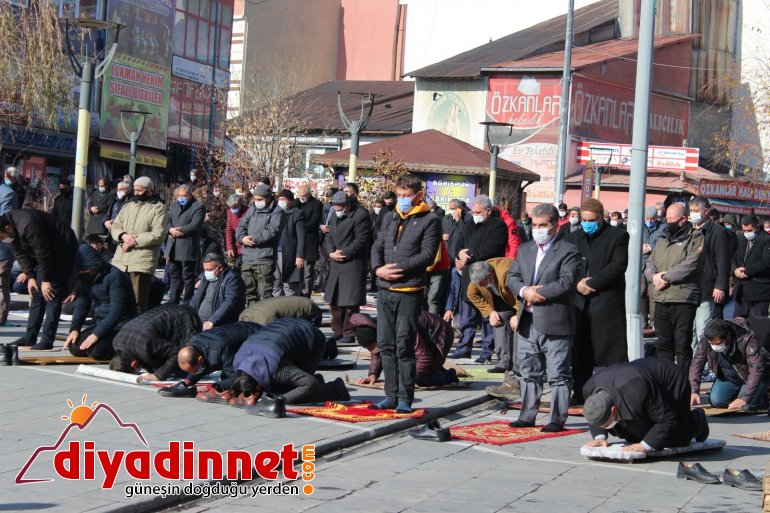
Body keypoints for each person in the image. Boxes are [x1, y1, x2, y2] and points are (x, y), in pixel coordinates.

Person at [506, 203, 580, 432]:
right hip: (528, 321)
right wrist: (523, 291)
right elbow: (512, 276)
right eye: (535, 225)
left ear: (555, 226)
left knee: (558, 374)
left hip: (554, 321)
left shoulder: (568, 250)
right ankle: (527, 415)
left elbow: (567, 282)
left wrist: (538, 293)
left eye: (543, 225)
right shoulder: (526, 249)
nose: (538, 229)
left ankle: (557, 419)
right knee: (528, 372)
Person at [370, 174, 441, 413]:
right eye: (398, 195)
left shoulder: (430, 220)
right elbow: (377, 246)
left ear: (418, 195)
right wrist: (378, 269)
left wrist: (398, 269)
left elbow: (427, 255)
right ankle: (389, 395)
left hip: (409, 290)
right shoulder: (390, 217)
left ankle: (404, 398)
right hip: (385, 289)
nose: (401, 200)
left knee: (404, 344)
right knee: (385, 344)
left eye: (405, 196)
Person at [566, 198, 629, 403]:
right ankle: (580, 392)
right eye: (583, 220)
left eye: (590, 220)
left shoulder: (618, 236)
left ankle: (615, 393)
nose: (586, 223)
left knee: (610, 352)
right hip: (580, 302)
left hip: (606, 301)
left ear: (601, 218)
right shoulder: (573, 238)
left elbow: (617, 266)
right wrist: (577, 283)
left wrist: (592, 282)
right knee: (580, 351)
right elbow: (566, 266)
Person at [582, 358, 709, 453]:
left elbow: (667, 419)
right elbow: (595, 414)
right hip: (637, 378)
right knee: (635, 436)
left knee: (674, 439)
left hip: (670, 381)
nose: (605, 427)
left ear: (614, 409)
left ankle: (697, 420)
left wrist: (644, 446)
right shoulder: (589, 390)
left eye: (605, 425)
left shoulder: (638, 391)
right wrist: (599, 436)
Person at [0, 209, 78, 349]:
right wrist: (30, 276)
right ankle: (29, 337)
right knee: (36, 293)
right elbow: (19, 253)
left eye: (1, 237)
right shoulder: (9, 229)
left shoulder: (28, 224)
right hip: (43, 253)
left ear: (7, 228)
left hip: (61, 248)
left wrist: (46, 280)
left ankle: (47, 339)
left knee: (51, 293)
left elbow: (43, 252)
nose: (2, 240)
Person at [231, 318, 349, 407]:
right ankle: (319, 381)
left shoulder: (276, 369)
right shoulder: (238, 363)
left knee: (298, 392)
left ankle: (337, 388)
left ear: (257, 386)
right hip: (284, 329)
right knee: (275, 388)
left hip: (312, 339)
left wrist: (280, 401)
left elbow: (309, 383)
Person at [645, 203, 704, 375]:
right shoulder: (663, 237)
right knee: (663, 343)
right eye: (666, 218)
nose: (667, 221)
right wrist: (653, 277)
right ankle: (666, 379)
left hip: (683, 297)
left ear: (683, 219)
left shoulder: (695, 237)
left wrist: (665, 277)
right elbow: (650, 261)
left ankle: (682, 382)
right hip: (661, 296)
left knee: (682, 344)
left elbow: (691, 264)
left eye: (671, 219)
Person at [456, 195, 507, 363]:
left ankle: (487, 352)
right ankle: (464, 348)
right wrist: (459, 254)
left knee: (487, 315)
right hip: (468, 274)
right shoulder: (469, 223)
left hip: (486, 275)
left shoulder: (498, 225)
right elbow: (458, 241)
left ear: (488, 211)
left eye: (478, 212)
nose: (474, 214)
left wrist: (470, 255)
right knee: (467, 317)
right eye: (473, 211)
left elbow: (492, 247)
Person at [63, 244, 138, 360]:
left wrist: (96, 334)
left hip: (121, 325)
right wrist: (74, 329)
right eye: (80, 271)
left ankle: (127, 348)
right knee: (74, 347)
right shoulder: (84, 278)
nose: (83, 273)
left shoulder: (115, 277)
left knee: (96, 351)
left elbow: (116, 311)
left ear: (94, 266)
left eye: (85, 270)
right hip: (101, 322)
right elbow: (82, 305)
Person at [350, 311, 457, 387]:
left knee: (423, 378)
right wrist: (373, 375)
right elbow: (377, 353)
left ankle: (449, 376)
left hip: (439, 333)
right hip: (421, 333)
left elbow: (424, 357)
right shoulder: (379, 330)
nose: (372, 351)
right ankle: (438, 372)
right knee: (408, 370)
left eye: (372, 346)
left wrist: (405, 381)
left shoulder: (400, 327)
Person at [323, 191, 371, 356]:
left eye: (339, 207)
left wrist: (344, 253)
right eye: (334, 207)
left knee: (349, 302)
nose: (337, 210)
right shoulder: (335, 214)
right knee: (334, 300)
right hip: (336, 262)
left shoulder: (360, 215)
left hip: (352, 263)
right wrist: (330, 252)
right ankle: (337, 330)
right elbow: (329, 234)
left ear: (347, 205)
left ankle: (349, 332)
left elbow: (361, 240)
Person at [111, 176, 168, 313]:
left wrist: (133, 241)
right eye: (134, 190)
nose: (136, 193)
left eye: (139, 190)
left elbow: (158, 234)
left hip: (141, 262)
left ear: (149, 191)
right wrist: (123, 236)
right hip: (120, 261)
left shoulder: (158, 208)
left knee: (137, 302)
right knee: (117, 299)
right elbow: (116, 226)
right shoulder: (128, 206)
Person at [690, 317, 770, 412]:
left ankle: (762, 397)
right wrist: (694, 390)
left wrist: (744, 397)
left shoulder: (746, 338)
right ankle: (747, 392)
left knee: (746, 406)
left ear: (728, 336)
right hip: (730, 377)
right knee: (716, 401)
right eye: (712, 343)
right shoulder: (706, 338)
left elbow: (756, 368)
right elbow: (697, 363)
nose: (715, 346)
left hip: (753, 376)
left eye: (718, 343)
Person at [163, 322, 263, 397]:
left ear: (200, 359)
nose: (194, 373)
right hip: (235, 337)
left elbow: (236, 377)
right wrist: (188, 381)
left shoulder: (219, 350)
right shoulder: (194, 344)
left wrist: (213, 387)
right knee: (225, 379)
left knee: (231, 383)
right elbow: (201, 365)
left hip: (258, 338)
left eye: (194, 371)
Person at [109, 304, 201, 382]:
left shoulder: (147, 345)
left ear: (134, 364)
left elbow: (177, 354)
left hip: (186, 318)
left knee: (185, 365)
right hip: (166, 312)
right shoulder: (116, 342)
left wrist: (158, 376)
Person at [688, 196, 730, 343]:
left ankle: (704, 363)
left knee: (702, 328)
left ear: (706, 211)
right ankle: (691, 363)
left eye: (696, 210)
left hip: (707, 287)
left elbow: (723, 261)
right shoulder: (688, 229)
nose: (693, 214)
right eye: (691, 210)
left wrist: (720, 286)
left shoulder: (718, 232)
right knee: (689, 329)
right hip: (687, 288)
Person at [236, 183, 286, 305]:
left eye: (260, 199)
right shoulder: (252, 209)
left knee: (265, 294)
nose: (257, 202)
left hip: (264, 259)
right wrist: (242, 238)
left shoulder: (277, 212)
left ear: (268, 198)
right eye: (255, 199)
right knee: (248, 293)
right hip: (247, 258)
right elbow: (241, 226)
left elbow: (272, 231)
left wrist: (253, 240)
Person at [467, 259, 518, 374]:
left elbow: (523, 294)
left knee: (519, 326)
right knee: (499, 320)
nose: (480, 286)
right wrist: (490, 312)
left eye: (482, 283)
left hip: (521, 300)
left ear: (489, 275)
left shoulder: (506, 273)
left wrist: (519, 315)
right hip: (502, 300)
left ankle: (519, 364)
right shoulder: (478, 278)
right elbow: (471, 294)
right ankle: (503, 362)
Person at [165, 184, 205, 304]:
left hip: (188, 246)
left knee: (188, 275)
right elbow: (167, 221)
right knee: (173, 273)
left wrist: (179, 231)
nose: (181, 198)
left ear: (189, 195)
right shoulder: (174, 205)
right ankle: (173, 299)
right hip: (173, 245)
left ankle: (187, 301)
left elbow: (195, 225)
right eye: (179, 195)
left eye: (184, 196)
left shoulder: (198, 207)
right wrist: (170, 230)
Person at [188, 252, 246, 330]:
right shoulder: (205, 277)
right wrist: (189, 313)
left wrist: (212, 321)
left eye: (209, 270)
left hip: (218, 325)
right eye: (205, 270)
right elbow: (196, 296)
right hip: (198, 321)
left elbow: (230, 302)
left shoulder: (232, 279)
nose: (206, 272)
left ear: (220, 268)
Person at [731, 215, 770, 318]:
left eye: (749, 230)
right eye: (744, 230)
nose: (746, 233)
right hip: (741, 289)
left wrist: (745, 271)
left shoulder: (766, 239)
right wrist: (735, 270)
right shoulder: (741, 238)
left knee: (757, 323)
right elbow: (733, 257)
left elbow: (765, 262)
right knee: (738, 323)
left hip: (759, 290)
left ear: (757, 227)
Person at [272, 189, 306, 297]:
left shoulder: (297, 214)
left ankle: (290, 311)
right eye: (280, 199)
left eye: (284, 199)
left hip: (289, 254)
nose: (281, 201)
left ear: (291, 201)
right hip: (274, 252)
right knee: (275, 283)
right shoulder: (274, 212)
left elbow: (301, 237)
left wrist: (300, 256)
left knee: (289, 285)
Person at [296, 185, 323, 297]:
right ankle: (297, 294)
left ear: (308, 194)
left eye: (304, 196)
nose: (302, 198)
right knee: (297, 272)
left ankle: (307, 294)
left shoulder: (317, 204)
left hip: (309, 241)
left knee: (308, 272)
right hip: (297, 241)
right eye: (300, 196)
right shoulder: (296, 202)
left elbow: (314, 222)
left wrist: (299, 227)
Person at [641, 205, 665, 329]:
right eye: (647, 218)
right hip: (640, 264)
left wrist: (650, 247)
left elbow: (662, 243)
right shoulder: (639, 225)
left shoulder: (662, 228)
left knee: (653, 294)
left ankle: (655, 323)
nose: (649, 221)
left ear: (657, 218)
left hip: (654, 266)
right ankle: (642, 321)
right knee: (640, 292)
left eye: (652, 219)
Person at [0, 175, 17, 327]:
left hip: (2, 247)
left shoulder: (7, 193)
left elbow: (5, 221)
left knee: (0, 283)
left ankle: (0, 317)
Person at [239, 295, 322, 326]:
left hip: (312, 312)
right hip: (302, 304)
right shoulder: (243, 316)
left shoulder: (266, 321)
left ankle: (327, 348)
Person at [316, 188, 338, 293]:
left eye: (332, 198)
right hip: (323, 237)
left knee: (332, 262)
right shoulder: (324, 206)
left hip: (334, 237)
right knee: (323, 262)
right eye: (329, 198)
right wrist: (321, 226)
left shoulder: (340, 207)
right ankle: (322, 284)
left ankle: (331, 284)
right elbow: (318, 219)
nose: (330, 200)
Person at [224, 194, 246, 268]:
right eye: (231, 207)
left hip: (246, 247)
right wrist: (229, 247)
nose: (233, 209)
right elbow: (229, 231)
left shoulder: (248, 212)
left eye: (235, 207)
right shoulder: (230, 213)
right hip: (237, 247)